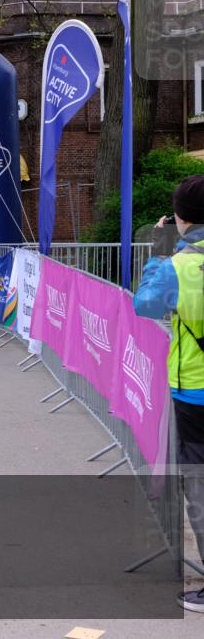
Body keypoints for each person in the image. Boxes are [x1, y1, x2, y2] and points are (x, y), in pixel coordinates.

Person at [132, 175, 204, 613]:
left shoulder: (179, 265)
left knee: (199, 484)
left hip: (195, 390)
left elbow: (146, 306)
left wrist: (159, 253)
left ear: (180, 218)